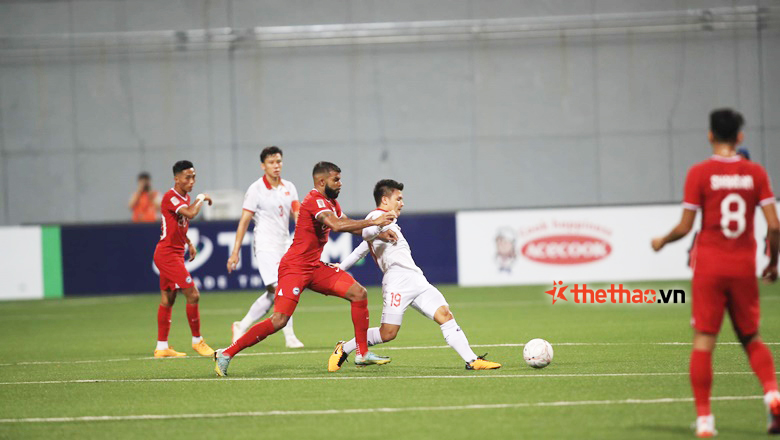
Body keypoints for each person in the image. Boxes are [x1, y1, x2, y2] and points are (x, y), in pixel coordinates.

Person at [651, 109, 780, 437]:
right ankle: (773, 395)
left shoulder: (700, 173)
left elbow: (685, 226)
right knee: (751, 337)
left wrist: (662, 241)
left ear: (710, 135)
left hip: (709, 268)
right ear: (740, 136)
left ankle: (706, 420)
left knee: (704, 341)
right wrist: (772, 263)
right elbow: (775, 226)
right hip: (742, 267)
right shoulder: (755, 173)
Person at [214, 162, 397, 376]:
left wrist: (378, 234)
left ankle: (362, 353)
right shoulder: (314, 201)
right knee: (279, 320)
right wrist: (374, 222)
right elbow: (336, 226)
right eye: (335, 179)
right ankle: (226, 353)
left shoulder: (330, 202)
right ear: (321, 182)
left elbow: (344, 221)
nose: (340, 183)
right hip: (295, 268)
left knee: (359, 293)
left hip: (314, 267)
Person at [327, 179, 502, 372]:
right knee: (388, 333)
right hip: (396, 282)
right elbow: (366, 232)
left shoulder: (388, 222)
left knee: (445, 314)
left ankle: (472, 360)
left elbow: (361, 249)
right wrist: (377, 231)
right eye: (398, 198)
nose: (402, 203)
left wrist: (341, 267)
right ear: (385, 200)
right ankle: (344, 348)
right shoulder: (376, 216)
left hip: (416, 279)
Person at [226, 146, 304, 348]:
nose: (276, 166)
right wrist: (235, 252)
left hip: (285, 244)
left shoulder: (290, 187)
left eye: (278, 161)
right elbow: (244, 221)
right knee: (282, 288)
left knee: (273, 294)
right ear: (263, 166)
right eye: (271, 162)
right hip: (265, 245)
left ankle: (241, 326)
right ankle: (290, 336)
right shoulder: (255, 189)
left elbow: (298, 214)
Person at [152, 160, 215, 358]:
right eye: (188, 177)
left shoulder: (182, 196)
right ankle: (197, 341)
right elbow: (191, 214)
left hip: (174, 253)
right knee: (193, 295)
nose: (192, 180)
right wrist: (201, 197)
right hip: (167, 255)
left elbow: (177, 225)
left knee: (168, 299)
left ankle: (162, 347)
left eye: (194, 176)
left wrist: (188, 242)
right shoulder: (171, 197)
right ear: (176, 178)